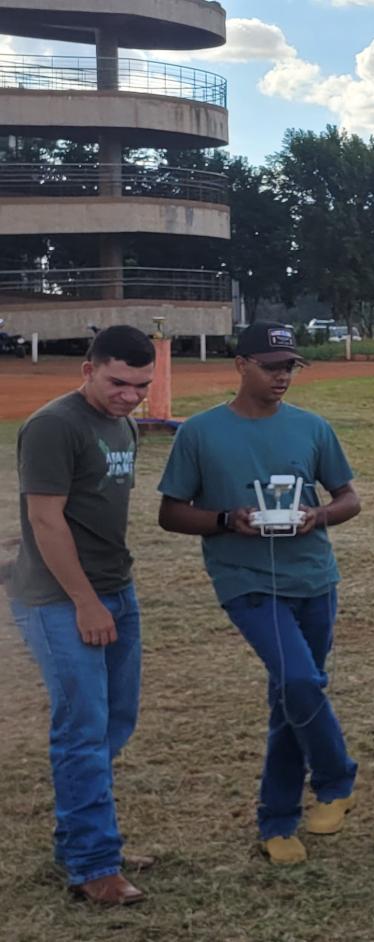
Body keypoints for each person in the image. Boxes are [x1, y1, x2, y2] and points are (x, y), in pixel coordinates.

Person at [156, 321, 363, 866]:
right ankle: (338, 776)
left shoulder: (312, 428)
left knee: (290, 699)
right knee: (299, 680)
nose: (283, 376)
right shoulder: (199, 433)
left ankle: (276, 821)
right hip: (245, 581)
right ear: (241, 364)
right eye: (272, 366)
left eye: (290, 366)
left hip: (314, 579)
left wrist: (317, 515)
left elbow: (349, 499)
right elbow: (171, 513)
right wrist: (227, 519)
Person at [8, 326, 154, 905]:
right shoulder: (53, 426)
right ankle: (95, 867)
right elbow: (47, 521)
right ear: (88, 369)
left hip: (117, 588)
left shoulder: (125, 424)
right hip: (59, 601)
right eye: (118, 382)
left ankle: (80, 842)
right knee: (84, 730)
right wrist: (85, 602)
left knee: (115, 721)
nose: (129, 395)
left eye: (140, 385)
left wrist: (110, 593)